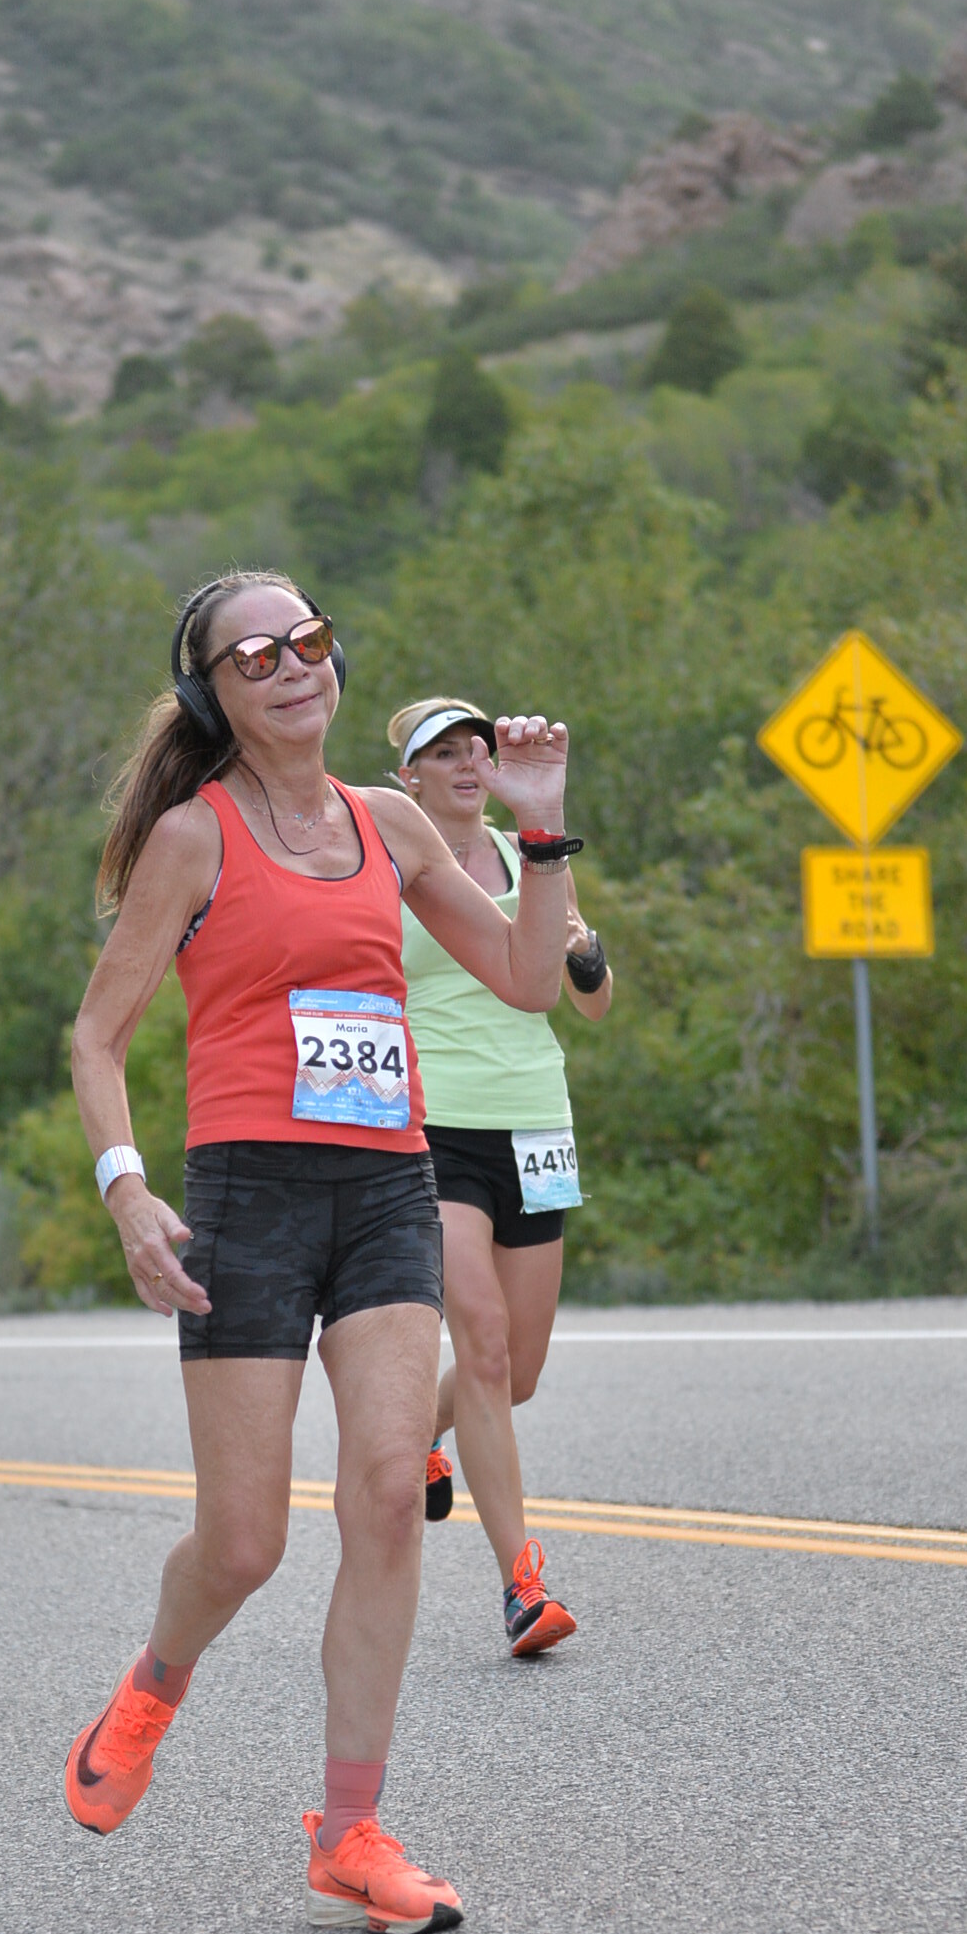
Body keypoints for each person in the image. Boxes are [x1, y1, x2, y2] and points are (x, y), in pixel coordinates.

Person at [66, 572, 576, 1934]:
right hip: (250, 1199)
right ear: (213, 693)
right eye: (255, 655)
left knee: (387, 1498)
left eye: (309, 640)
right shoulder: (194, 837)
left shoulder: (392, 824)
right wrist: (128, 1193)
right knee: (243, 1544)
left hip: (388, 1192)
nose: (293, 666)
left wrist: (541, 831)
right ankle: (155, 1682)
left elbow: (528, 980)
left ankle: (350, 1830)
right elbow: (98, 1038)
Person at [388, 699, 612, 1654]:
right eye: (441, 753)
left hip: (536, 1120)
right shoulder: (392, 867)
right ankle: (522, 1585)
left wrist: (586, 954)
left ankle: (420, 1435)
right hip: (436, 1125)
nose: (466, 764)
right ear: (409, 779)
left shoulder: (533, 859)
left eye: (474, 747)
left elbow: (592, 1005)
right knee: (479, 1340)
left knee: (516, 1371)